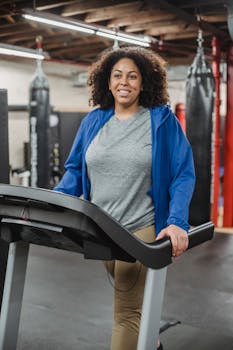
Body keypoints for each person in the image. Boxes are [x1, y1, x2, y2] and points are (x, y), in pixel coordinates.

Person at [54, 46, 195, 350]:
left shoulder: (161, 121)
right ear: (107, 81)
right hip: (101, 229)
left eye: (133, 76)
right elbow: (76, 170)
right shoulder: (93, 121)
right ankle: (152, 345)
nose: (124, 82)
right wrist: (52, 204)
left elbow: (183, 173)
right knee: (136, 305)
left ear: (144, 83)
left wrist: (177, 222)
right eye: (117, 75)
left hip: (141, 229)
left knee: (127, 313)